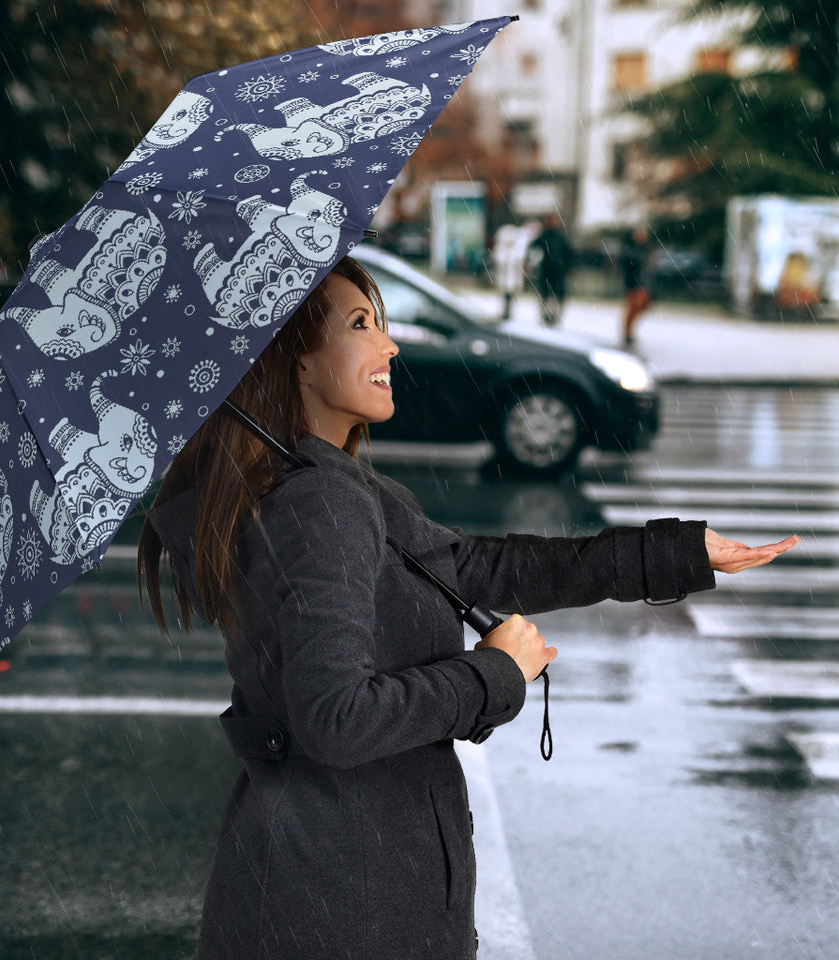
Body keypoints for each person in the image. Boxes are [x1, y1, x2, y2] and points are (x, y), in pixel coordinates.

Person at [137, 256, 798, 960]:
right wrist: (494, 674)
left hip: (327, 883)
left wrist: (674, 554)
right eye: (361, 325)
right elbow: (336, 719)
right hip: (348, 903)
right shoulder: (320, 504)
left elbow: (478, 567)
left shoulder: (323, 487)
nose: (390, 345)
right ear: (296, 361)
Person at [527, 213, 574, 327]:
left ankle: (554, 316)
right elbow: (533, 249)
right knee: (546, 294)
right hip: (547, 271)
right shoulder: (544, 236)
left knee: (556, 295)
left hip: (558, 271)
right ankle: (546, 315)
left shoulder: (560, 237)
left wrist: (569, 267)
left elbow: (569, 253)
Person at [620, 226, 652, 347]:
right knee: (633, 308)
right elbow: (629, 266)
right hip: (633, 284)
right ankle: (627, 333)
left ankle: (628, 331)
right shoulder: (630, 250)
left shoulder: (641, 249)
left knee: (640, 306)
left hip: (641, 283)